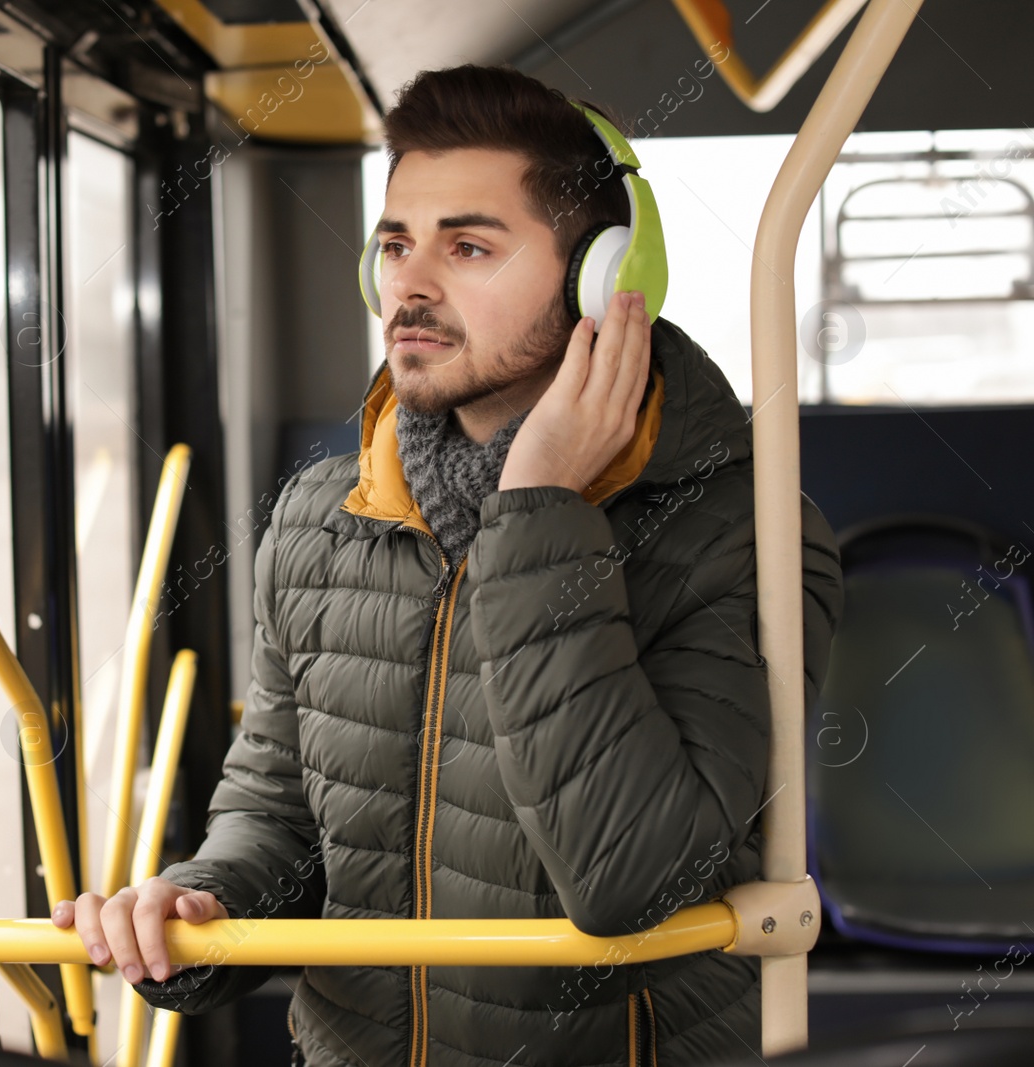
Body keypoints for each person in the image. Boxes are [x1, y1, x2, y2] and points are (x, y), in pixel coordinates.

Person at [52, 63, 844, 1066]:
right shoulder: (318, 516)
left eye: (468, 245)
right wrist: (198, 904)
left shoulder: (745, 531)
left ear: (604, 277)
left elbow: (634, 882)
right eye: (394, 244)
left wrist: (540, 509)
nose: (410, 286)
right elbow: (278, 814)